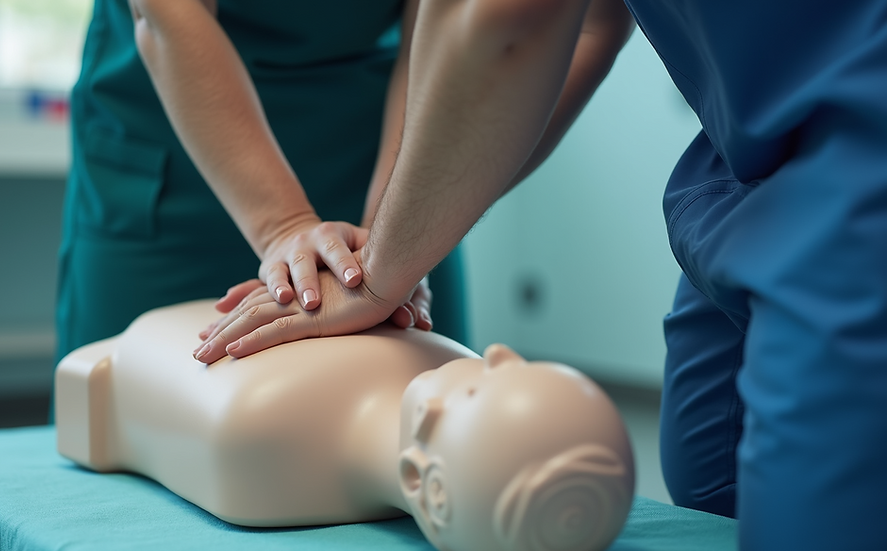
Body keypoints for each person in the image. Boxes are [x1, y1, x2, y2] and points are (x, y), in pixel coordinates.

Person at [196, 0, 887, 549]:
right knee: (710, 481)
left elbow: (519, 18)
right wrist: (387, 250)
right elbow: (548, 18)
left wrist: (382, 268)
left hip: (857, 140)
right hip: (753, 146)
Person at [55, 0, 469, 366]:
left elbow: (450, 26)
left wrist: (387, 248)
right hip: (172, 164)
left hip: (384, 149)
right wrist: (283, 226)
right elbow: (169, 11)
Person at [56, 299, 634, 551]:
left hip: (142, 349)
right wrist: (376, 256)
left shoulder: (260, 430)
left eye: (487, 382)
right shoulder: (449, 357)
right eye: (514, 365)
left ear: (421, 481)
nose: (499, 353)